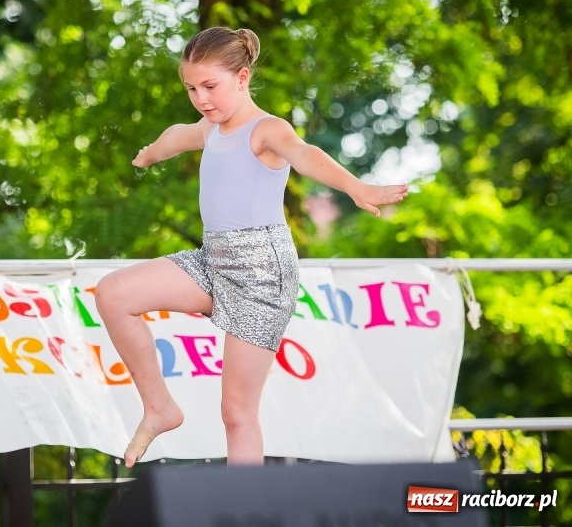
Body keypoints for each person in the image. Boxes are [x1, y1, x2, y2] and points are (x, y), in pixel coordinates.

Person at [94, 26, 408, 468]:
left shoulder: (267, 130)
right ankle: (160, 408)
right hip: (213, 259)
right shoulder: (210, 128)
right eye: (191, 88)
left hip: (263, 272)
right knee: (113, 293)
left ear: (242, 78)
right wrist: (151, 153)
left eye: (211, 86)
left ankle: (248, 510)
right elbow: (178, 134)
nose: (202, 98)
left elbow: (306, 154)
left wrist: (356, 187)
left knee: (237, 412)